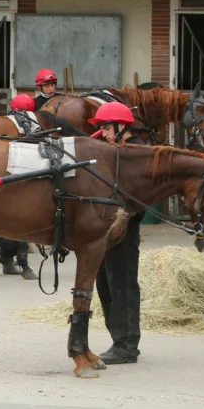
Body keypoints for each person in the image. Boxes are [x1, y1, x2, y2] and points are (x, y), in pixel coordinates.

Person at [89, 101, 145, 364]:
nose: (103, 133)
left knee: (122, 284)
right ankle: (118, 340)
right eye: (101, 128)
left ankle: (127, 345)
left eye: (106, 128)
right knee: (105, 284)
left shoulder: (138, 152)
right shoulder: (114, 149)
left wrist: (125, 216)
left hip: (124, 230)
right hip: (105, 230)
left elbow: (140, 195)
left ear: (121, 125)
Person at [0, 94, 38, 280]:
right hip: (0, 174)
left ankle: (13, 262)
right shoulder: (2, 125)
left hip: (20, 176)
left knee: (20, 222)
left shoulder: (34, 127)